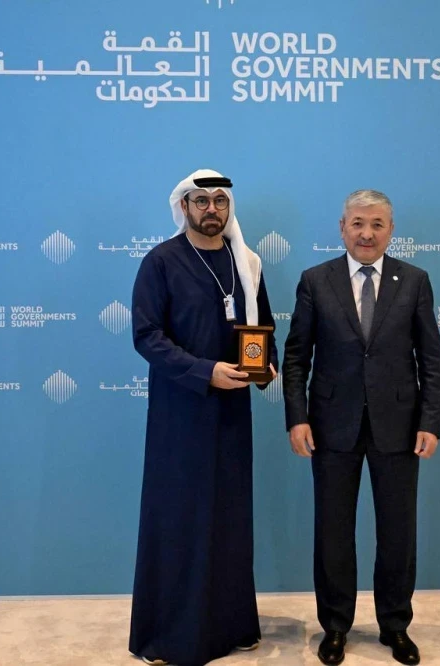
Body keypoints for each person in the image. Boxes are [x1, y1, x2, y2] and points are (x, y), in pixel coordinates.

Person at [282, 189, 440, 665]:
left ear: (391, 230)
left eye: (376, 224)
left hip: (399, 427)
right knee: (333, 533)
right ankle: (335, 626)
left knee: (398, 534)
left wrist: (430, 421)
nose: (366, 233)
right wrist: (297, 417)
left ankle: (395, 625)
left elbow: (431, 360)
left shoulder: (414, 281)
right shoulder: (316, 281)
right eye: (357, 223)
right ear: (342, 228)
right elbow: (296, 358)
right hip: (331, 426)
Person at [128, 169, 277, 666]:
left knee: (230, 519)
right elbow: (147, 336)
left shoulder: (246, 262)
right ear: (184, 207)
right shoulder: (161, 261)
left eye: (219, 200)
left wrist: (267, 365)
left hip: (232, 415)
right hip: (180, 414)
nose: (212, 209)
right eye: (201, 201)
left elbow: (263, 325)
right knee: (180, 519)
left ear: (229, 207)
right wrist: (204, 371)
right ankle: (169, 637)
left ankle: (233, 627)